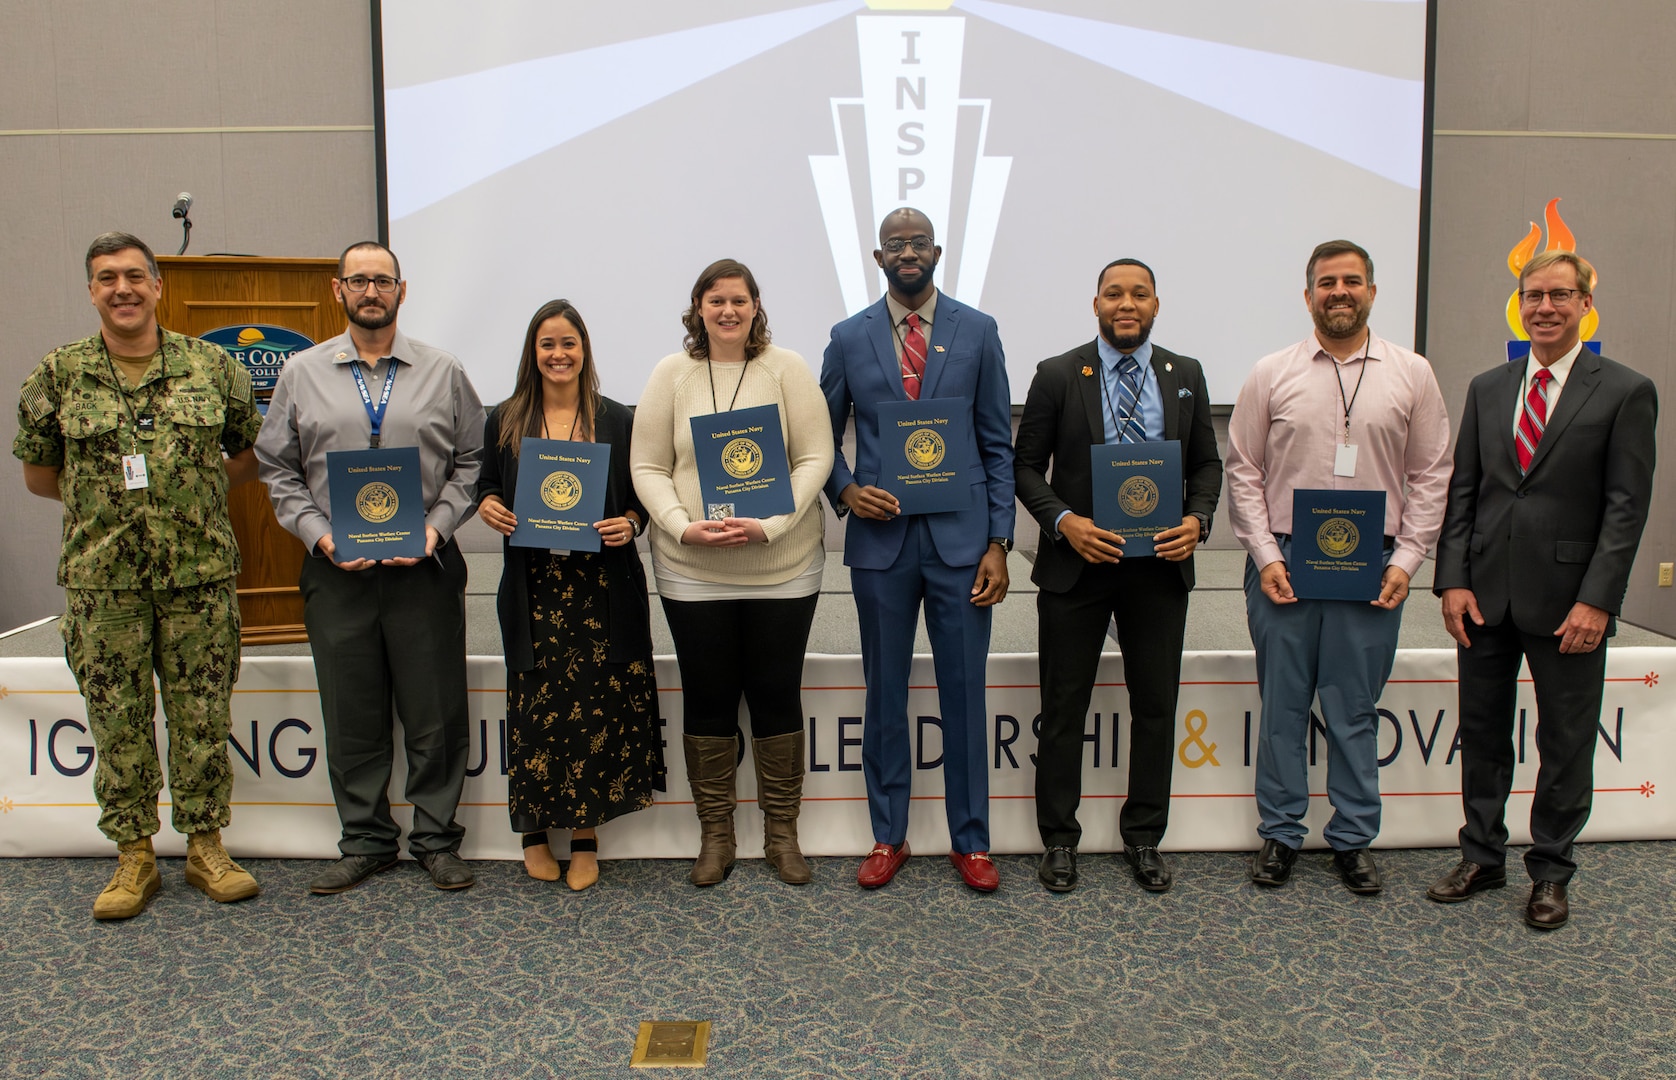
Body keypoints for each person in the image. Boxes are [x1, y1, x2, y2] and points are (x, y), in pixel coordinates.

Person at [14, 231, 263, 919]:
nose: (121, 288)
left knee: (202, 716)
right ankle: (134, 856)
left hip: (199, 576)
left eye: (133, 276)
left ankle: (207, 847)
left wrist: (192, 493)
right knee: (117, 721)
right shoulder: (58, 375)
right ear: (91, 291)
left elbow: (245, 456)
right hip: (105, 586)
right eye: (105, 278)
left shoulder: (213, 367)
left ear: (158, 286)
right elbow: (40, 475)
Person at [1428, 250, 1657, 930]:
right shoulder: (1488, 387)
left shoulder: (1624, 390)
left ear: (1586, 303)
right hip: (1485, 598)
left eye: (1560, 295)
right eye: (1534, 296)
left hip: (1570, 605)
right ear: (1519, 304)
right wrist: (1451, 581)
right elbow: (1463, 493)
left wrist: (1599, 600)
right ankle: (1482, 854)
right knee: (1483, 732)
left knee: (1564, 741)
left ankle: (1551, 871)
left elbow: (1626, 507)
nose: (1545, 307)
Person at [255, 241, 485, 894]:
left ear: (402, 291)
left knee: (435, 713)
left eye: (382, 280)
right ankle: (366, 840)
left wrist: (438, 528)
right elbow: (277, 466)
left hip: (424, 568)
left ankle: (437, 841)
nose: (371, 291)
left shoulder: (444, 371)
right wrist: (319, 535)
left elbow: (473, 462)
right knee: (352, 713)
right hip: (337, 571)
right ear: (338, 291)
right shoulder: (300, 373)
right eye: (358, 280)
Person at [1224, 239, 1450, 895]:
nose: (1339, 291)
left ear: (1372, 292)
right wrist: (1265, 555)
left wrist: (1408, 560)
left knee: (1353, 709)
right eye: (1326, 282)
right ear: (1308, 296)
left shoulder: (1413, 373)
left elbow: (1431, 474)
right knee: (1283, 707)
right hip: (1286, 564)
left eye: (1352, 281)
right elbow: (1243, 471)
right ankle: (1281, 833)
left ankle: (1353, 838)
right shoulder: (1272, 372)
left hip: (1373, 566)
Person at [820, 208, 1014, 893]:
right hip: (882, 544)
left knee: (964, 691)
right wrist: (845, 492)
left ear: (936, 251)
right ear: (878, 257)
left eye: (918, 241)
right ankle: (887, 835)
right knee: (885, 695)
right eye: (895, 243)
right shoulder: (848, 338)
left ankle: (972, 841)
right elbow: (819, 441)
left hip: (963, 545)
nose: (908, 251)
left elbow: (996, 445)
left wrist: (999, 541)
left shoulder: (979, 331)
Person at [1013, 258, 1222, 894]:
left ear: (1156, 304)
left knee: (1156, 706)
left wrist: (1198, 519)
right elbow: (1025, 468)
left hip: (1158, 568)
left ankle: (1144, 836)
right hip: (1078, 567)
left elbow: (1207, 466)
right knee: (1063, 705)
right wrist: (1063, 521)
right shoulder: (1056, 374)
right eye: (1113, 293)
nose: (1125, 303)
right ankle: (1058, 839)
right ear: (1095, 303)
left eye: (1139, 293)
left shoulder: (1184, 374)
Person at [630, 259, 833, 887]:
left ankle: (782, 835)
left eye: (738, 300)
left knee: (776, 693)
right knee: (709, 697)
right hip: (692, 568)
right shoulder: (672, 373)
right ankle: (716, 835)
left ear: (755, 305)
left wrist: (769, 525)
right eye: (715, 301)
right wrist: (680, 526)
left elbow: (815, 456)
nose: (728, 311)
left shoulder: (788, 369)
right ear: (698, 307)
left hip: (782, 566)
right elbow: (648, 467)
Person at [476, 299, 665, 890]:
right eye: (547, 345)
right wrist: (488, 505)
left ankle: (586, 836)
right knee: (535, 711)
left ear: (585, 350)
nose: (559, 355)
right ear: (533, 355)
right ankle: (533, 832)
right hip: (535, 589)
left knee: (594, 713)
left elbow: (643, 498)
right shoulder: (505, 419)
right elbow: (485, 485)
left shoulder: (617, 419)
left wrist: (630, 523)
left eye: (569, 344)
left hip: (600, 588)